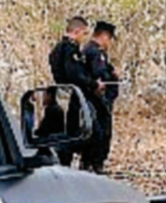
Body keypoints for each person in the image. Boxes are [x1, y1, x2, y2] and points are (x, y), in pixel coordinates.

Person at [48, 16, 95, 166]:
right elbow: (74, 74)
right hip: (69, 95)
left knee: (62, 130)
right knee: (70, 131)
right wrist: (92, 83)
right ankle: (66, 163)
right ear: (77, 31)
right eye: (84, 33)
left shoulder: (57, 48)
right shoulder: (69, 49)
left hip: (61, 93)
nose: (84, 38)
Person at [81, 20, 119, 173]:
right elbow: (99, 73)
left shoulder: (92, 51)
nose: (109, 43)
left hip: (99, 100)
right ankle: (95, 164)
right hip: (97, 100)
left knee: (99, 132)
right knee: (100, 133)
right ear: (103, 36)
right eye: (109, 39)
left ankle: (92, 162)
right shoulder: (94, 52)